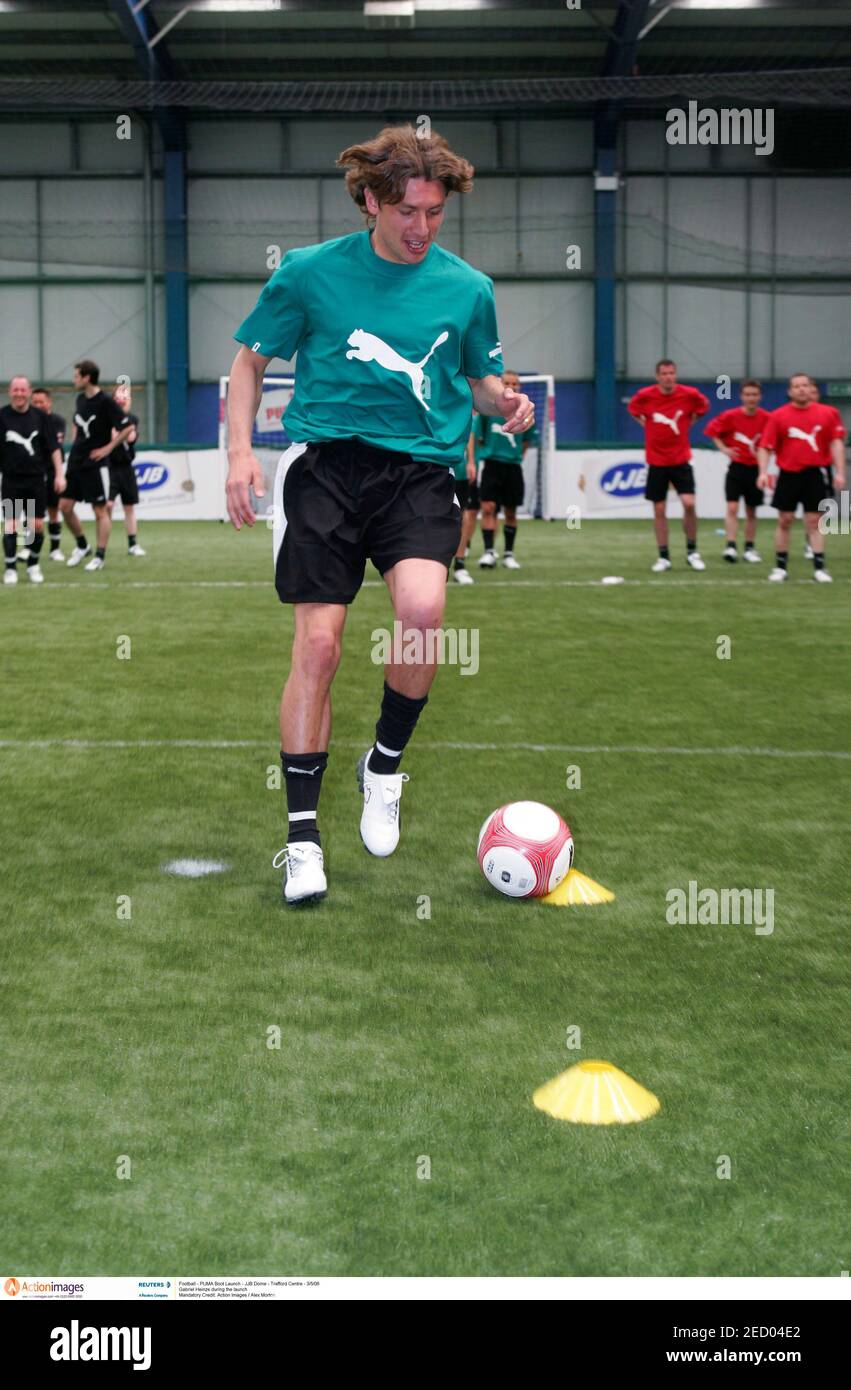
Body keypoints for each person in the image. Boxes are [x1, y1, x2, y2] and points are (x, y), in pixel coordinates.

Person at [225, 124, 534, 904]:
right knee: (320, 648)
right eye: (406, 211)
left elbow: (482, 378)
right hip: (325, 470)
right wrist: (237, 452)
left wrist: (509, 401)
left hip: (421, 474)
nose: (421, 228)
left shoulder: (468, 289)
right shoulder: (307, 274)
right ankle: (301, 841)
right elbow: (249, 360)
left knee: (424, 611)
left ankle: (383, 768)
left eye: (434, 212)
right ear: (369, 199)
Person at [757, 372, 847, 584]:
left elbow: (836, 443)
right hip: (788, 474)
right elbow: (765, 446)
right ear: (790, 391)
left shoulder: (829, 413)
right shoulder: (777, 416)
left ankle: (819, 568)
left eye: (805, 385)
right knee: (785, 520)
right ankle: (780, 567)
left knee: (814, 522)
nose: (802, 389)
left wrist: (840, 472)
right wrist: (762, 471)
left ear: (811, 389)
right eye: (797, 386)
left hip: (815, 474)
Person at [628, 360, 710, 572]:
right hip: (656, 461)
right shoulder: (645, 395)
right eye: (664, 373)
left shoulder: (689, 394)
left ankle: (692, 552)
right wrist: (647, 425)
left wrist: (688, 424)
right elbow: (634, 410)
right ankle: (664, 556)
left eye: (672, 373)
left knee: (689, 503)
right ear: (657, 376)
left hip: (681, 459)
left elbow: (702, 408)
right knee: (659, 508)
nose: (668, 377)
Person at [60, 360, 134, 571]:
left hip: (96, 464)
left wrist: (107, 448)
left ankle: (99, 556)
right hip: (76, 462)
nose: (74, 380)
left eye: (76, 376)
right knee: (65, 507)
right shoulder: (80, 399)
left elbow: (127, 427)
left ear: (86, 377)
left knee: (100, 510)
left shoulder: (106, 402)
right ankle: (83, 546)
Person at [1, 376, 63, 586]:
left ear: (28, 392)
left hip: (36, 481)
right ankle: (10, 568)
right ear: (10, 392)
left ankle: (33, 564)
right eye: (15, 390)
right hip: (11, 481)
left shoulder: (40, 417)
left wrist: (60, 474)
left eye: (22, 390)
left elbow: (54, 447)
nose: (19, 394)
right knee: (11, 525)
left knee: (36, 526)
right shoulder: (2, 416)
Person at [476, 369, 538, 571]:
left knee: (510, 511)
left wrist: (516, 456)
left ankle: (509, 554)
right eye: (508, 383)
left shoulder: (525, 412)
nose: (512, 387)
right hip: (492, 464)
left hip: (513, 466)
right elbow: (479, 437)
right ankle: (488, 552)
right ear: (502, 384)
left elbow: (527, 440)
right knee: (488, 508)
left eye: (515, 384)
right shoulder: (491, 409)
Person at [703, 380, 769, 563]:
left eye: (754, 395)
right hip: (736, 469)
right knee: (732, 508)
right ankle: (730, 546)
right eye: (747, 394)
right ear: (741, 396)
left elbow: (773, 440)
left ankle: (749, 548)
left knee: (751, 511)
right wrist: (724, 449)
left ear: (760, 397)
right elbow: (712, 431)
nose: (751, 398)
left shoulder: (767, 418)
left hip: (756, 469)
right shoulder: (730, 416)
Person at [106, 385, 146, 557]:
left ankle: (132, 544)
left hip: (126, 468)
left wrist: (123, 423)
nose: (122, 401)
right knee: (107, 505)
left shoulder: (132, 419)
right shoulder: (106, 418)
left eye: (126, 397)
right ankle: (103, 544)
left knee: (129, 507)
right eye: (118, 398)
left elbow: (130, 438)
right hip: (109, 467)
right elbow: (113, 439)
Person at [31, 387, 67, 562]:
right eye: (35, 402)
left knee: (53, 511)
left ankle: (55, 549)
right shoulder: (28, 420)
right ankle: (27, 548)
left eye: (41, 402)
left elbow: (55, 447)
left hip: (52, 471)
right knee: (29, 512)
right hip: (32, 472)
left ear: (49, 402)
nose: (38, 405)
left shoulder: (57, 421)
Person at [450, 419, 479, 585]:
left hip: (458, 468)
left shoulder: (462, 407)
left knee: (463, 515)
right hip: (430, 465)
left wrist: (471, 462)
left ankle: (460, 565)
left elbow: (470, 434)